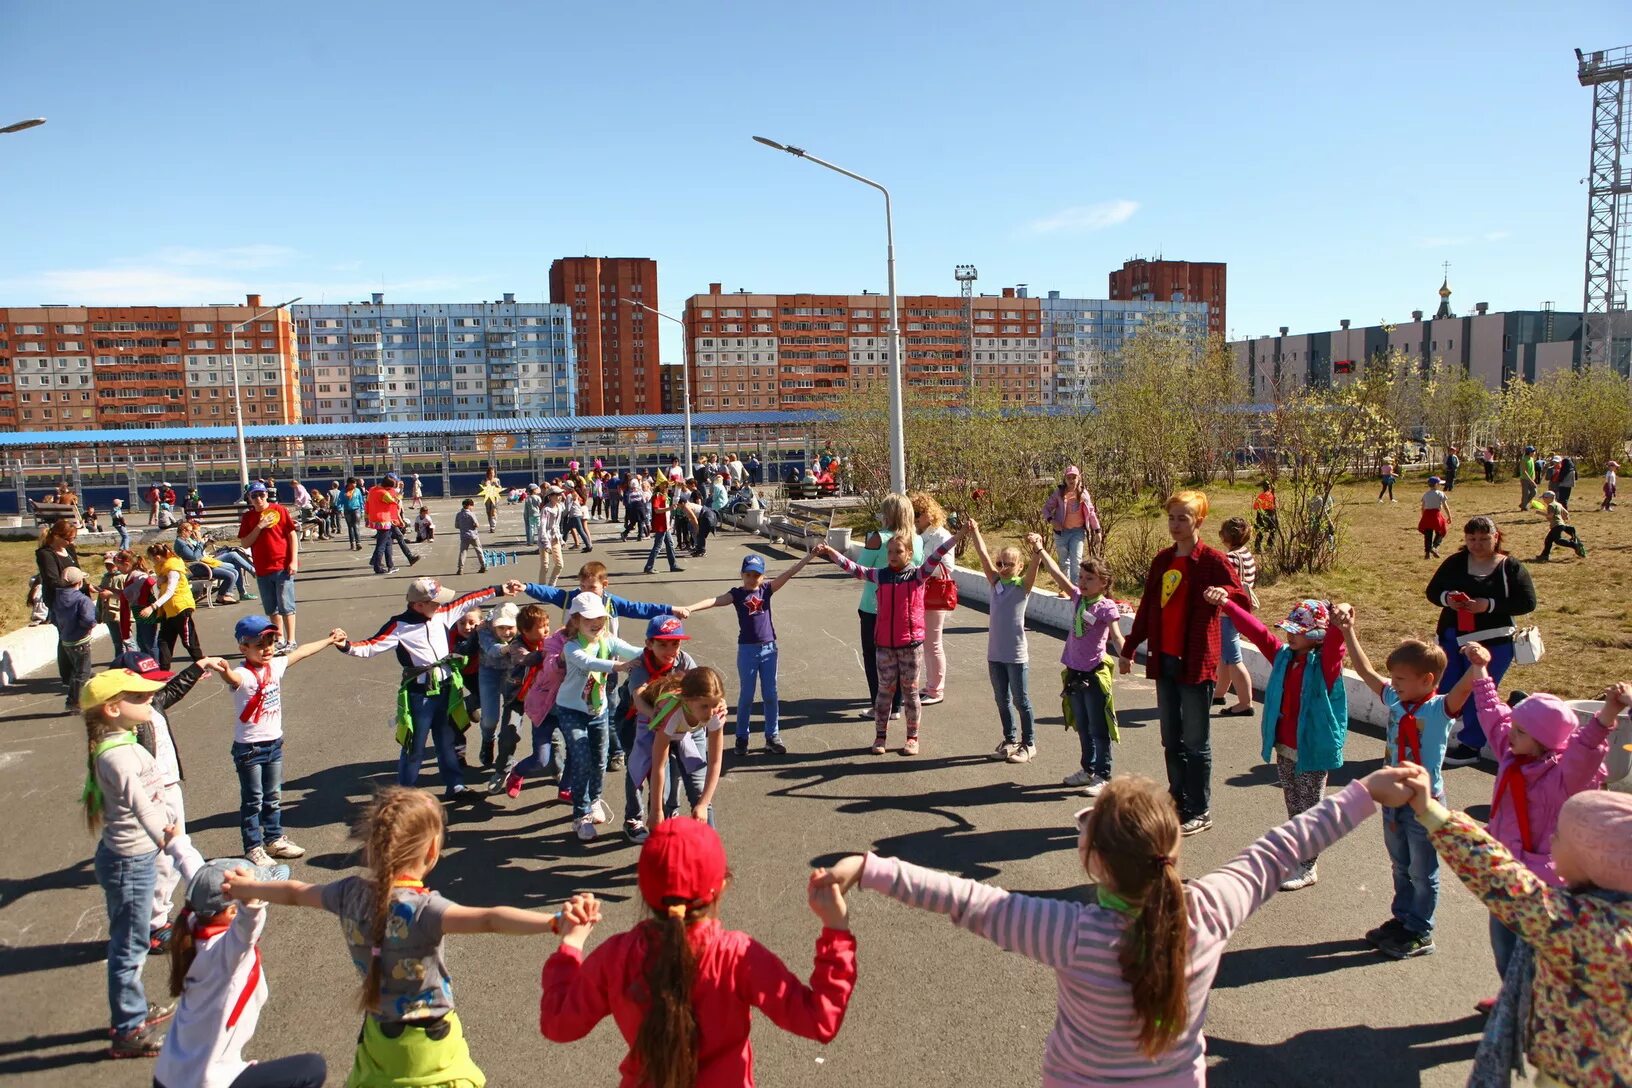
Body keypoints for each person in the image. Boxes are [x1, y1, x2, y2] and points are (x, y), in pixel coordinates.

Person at [815, 766, 1414, 1086]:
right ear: (1173, 848)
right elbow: (1283, 846)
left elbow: (964, 899)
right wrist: (1365, 792)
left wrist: (869, 867)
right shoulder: (1210, 911)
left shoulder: (1067, 932)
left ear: (1092, 863)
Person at [222, 787, 575, 1087]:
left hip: (378, 1044)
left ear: (372, 848)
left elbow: (296, 892)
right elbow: (490, 920)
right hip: (434, 1050)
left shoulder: (348, 894)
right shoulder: (423, 909)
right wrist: (553, 922)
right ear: (433, 851)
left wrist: (248, 886)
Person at [540, 818, 856, 1084]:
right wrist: (835, 930)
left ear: (645, 890)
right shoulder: (738, 956)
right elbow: (820, 1020)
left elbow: (559, 1025)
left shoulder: (615, 956)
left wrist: (571, 945)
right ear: (721, 885)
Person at [1395, 762, 1632, 1088]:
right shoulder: (1611, 916)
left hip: (1576, 1077)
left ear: (1593, 857)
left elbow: (1506, 883)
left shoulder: (1587, 930)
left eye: (1559, 835)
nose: (1552, 838)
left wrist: (1430, 810)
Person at [1460, 645, 1613, 993]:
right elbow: (1491, 712)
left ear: (1544, 741)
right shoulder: (1511, 754)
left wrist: (1608, 713)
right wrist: (1480, 669)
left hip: (1541, 880)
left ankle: (1531, 1009)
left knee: (1531, 953)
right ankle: (1513, 998)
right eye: (1514, 727)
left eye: (1521, 731)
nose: (1511, 733)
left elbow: (1586, 748)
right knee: (1503, 948)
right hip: (1502, 870)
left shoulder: (1564, 775)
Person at [1334, 611, 1479, 959]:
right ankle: (1402, 919)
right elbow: (1368, 674)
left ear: (1427, 679)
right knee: (1400, 863)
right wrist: (1348, 631)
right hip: (1393, 797)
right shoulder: (1397, 700)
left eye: (1400, 678)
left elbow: (1463, 689)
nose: (1393, 683)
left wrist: (1477, 665)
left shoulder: (1440, 709)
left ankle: (1421, 929)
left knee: (1422, 869)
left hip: (1425, 803)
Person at [1119, 491, 1248, 837]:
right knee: (1170, 739)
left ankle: (1200, 808)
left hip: (1196, 664)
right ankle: (1177, 800)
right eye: (1172, 518)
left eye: (1183, 518)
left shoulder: (1213, 561)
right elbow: (1147, 608)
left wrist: (1227, 594)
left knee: (1196, 741)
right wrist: (1130, 647)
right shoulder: (1162, 561)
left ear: (1199, 521)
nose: (1176, 525)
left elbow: (1244, 600)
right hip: (1165, 660)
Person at [152, 841, 327, 1088]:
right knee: (311, 1068)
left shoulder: (195, 924)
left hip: (168, 1076)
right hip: (204, 1081)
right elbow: (247, 926)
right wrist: (251, 903)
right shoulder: (226, 953)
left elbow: (199, 876)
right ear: (233, 911)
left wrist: (178, 843)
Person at [333, 577, 523, 800]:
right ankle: (405, 794)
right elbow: (370, 646)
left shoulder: (442, 614)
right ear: (418, 604)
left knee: (447, 740)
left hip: (447, 689)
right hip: (419, 694)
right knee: (414, 745)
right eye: (435, 602)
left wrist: (500, 588)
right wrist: (346, 645)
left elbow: (470, 599)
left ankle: (456, 785)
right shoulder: (399, 626)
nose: (440, 605)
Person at [1210, 593, 1348, 891]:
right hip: (1285, 746)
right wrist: (1228, 605)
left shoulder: (1324, 666)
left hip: (1312, 749)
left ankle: (1308, 866)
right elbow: (1258, 634)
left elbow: (1337, 645)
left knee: (1310, 808)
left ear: (1316, 636)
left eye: (1299, 632)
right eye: (1290, 630)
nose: (1290, 635)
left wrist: (1340, 618)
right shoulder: (1284, 657)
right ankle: (1299, 854)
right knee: (1294, 804)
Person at [80, 666, 179, 1057]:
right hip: (130, 861)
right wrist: (170, 842)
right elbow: (143, 809)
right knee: (129, 948)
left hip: (133, 857)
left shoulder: (126, 739)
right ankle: (127, 1029)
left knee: (132, 941)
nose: (148, 698)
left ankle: (133, 1008)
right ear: (111, 709)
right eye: (137, 697)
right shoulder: (117, 757)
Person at [201, 615, 335, 866]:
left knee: (273, 796)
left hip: (274, 744)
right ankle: (253, 847)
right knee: (253, 800)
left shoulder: (275, 666)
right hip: (250, 749)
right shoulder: (242, 673)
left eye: (271, 642)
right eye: (260, 645)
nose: (268, 649)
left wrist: (328, 640)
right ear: (243, 648)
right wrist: (225, 670)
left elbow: (303, 652)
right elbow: (232, 680)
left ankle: (274, 840)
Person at [818, 526, 962, 756]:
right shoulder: (880, 575)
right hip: (884, 646)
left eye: (899, 551)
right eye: (890, 552)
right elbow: (855, 569)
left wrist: (961, 534)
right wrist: (831, 552)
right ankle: (880, 736)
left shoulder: (918, 575)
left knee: (911, 693)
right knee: (884, 693)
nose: (893, 556)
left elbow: (938, 554)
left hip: (910, 646)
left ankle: (912, 738)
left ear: (909, 553)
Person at [681, 550, 819, 757]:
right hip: (747, 650)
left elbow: (789, 573)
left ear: (762, 576)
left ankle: (772, 737)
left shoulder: (766, 590)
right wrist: (689, 608)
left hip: (769, 649)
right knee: (746, 696)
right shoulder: (737, 594)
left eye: (756, 575)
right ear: (742, 574)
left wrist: (810, 556)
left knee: (770, 695)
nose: (752, 578)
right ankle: (741, 738)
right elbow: (714, 600)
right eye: (748, 574)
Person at [1426, 515, 1538, 766]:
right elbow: (1432, 591)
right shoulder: (1455, 562)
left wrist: (1488, 605)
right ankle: (1436, 736)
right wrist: (1448, 599)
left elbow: (1527, 601)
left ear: (1496, 537)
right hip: (1453, 638)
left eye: (1484, 539)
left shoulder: (1510, 566)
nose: (1476, 544)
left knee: (1480, 692)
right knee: (1446, 687)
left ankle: (1471, 746)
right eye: (1471, 539)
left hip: (1494, 641)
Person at [1037, 550, 1125, 795]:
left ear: (1104, 582)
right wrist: (1041, 551)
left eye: (1089, 578)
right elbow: (1057, 575)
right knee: (1083, 726)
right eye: (1081, 577)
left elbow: (1116, 635)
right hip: (1074, 671)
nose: (1082, 582)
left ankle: (1103, 775)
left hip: (1093, 674)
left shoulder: (1105, 607)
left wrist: (1125, 655)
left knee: (1099, 728)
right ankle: (1087, 770)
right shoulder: (1078, 598)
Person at [556, 594, 643, 841]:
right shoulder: (571, 647)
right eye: (589, 619)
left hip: (598, 710)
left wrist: (658, 649)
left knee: (600, 759)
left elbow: (634, 650)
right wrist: (619, 666)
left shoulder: (607, 639)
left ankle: (594, 800)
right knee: (582, 758)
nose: (596, 623)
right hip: (571, 710)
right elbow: (588, 662)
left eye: (600, 619)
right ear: (576, 620)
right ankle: (581, 814)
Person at [965, 520, 1042, 762]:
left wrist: (1037, 548)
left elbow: (1035, 567)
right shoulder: (995, 583)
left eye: (1009, 563)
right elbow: (982, 555)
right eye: (1000, 563)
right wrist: (975, 530)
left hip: (1016, 655)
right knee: (1002, 699)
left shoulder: (1022, 587)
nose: (1003, 567)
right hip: (995, 654)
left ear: (1019, 566)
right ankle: (1010, 740)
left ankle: (1029, 744)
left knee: (1021, 700)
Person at [617, 616, 698, 842]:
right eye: (662, 644)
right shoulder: (641, 664)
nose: (670, 649)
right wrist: (658, 717)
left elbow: (701, 685)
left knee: (672, 768)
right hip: (635, 720)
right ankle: (633, 817)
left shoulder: (684, 661)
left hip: (671, 722)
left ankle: (665, 812)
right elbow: (639, 698)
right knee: (638, 766)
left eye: (675, 643)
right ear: (649, 644)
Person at [633, 664, 728, 833]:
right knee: (642, 773)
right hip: (655, 728)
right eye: (705, 706)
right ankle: (637, 819)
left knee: (699, 791)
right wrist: (656, 811)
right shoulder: (671, 714)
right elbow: (658, 766)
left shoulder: (715, 713)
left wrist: (703, 804)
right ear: (687, 700)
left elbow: (714, 762)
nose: (710, 711)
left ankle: (709, 848)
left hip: (686, 731)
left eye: (714, 704)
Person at [852, 494, 920, 723]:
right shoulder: (915, 539)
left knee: (873, 657)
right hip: (903, 607)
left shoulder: (878, 538)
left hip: (874, 605)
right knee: (900, 656)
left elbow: (861, 568)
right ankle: (897, 705)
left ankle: (878, 705)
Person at [237, 482, 299, 652]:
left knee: (286, 605)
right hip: (262, 568)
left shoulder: (279, 510)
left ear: (267, 495)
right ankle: (279, 638)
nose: (258, 498)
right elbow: (245, 542)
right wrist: (259, 526)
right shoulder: (249, 518)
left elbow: (292, 535)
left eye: (261, 494)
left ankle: (291, 640)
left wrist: (293, 560)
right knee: (271, 607)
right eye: (254, 495)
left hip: (281, 565)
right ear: (249, 498)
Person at [911, 492, 955, 707]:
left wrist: (923, 569)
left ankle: (936, 689)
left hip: (934, 591)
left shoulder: (940, 535)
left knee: (933, 643)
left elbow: (946, 567)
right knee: (925, 642)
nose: (915, 518)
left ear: (929, 514)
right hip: (922, 591)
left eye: (917, 514)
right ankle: (931, 685)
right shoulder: (922, 535)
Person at [1214, 517, 1257, 718]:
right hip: (1240, 611)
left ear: (1227, 536)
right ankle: (1219, 693)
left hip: (1227, 611)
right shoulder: (1246, 555)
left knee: (1233, 658)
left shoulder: (1229, 558)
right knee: (1225, 655)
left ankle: (1244, 702)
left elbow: (1222, 584)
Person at [143, 542, 205, 671]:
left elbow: (170, 592)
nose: (152, 562)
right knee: (164, 640)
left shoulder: (173, 569)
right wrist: (159, 583)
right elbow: (158, 589)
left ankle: (202, 667)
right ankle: (164, 671)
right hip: (168, 610)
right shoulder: (162, 569)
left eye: (152, 559)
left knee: (188, 640)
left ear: (158, 557)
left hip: (180, 608)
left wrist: (153, 607)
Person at [474, 603, 518, 770]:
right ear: (493, 625)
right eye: (501, 627)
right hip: (489, 672)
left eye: (510, 627)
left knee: (511, 720)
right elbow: (491, 649)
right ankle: (488, 739)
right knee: (490, 718)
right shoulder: (484, 630)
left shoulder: (523, 629)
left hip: (513, 674)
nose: (506, 632)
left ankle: (505, 755)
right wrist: (508, 648)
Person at [1042, 466, 1099, 593]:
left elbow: (1091, 512)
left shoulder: (1083, 494)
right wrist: (1052, 521)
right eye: (1069, 477)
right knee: (1063, 562)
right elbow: (1046, 509)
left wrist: (1097, 530)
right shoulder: (1059, 493)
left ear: (1079, 478)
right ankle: (1064, 587)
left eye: (1074, 477)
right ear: (1065, 479)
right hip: (1061, 532)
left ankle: (1074, 590)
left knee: (1076, 560)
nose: (1071, 480)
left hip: (1077, 532)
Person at [52, 564, 98, 712]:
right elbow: (88, 620)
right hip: (81, 641)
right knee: (83, 673)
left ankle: (71, 700)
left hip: (66, 639)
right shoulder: (82, 600)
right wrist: (91, 625)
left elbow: (53, 618)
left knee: (76, 672)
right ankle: (77, 703)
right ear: (80, 582)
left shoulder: (58, 598)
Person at [175, 519, 246, 605]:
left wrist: (203, 544)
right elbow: (194, 557)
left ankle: (223, 596)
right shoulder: (180, 543)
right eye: (190, 531)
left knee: (234, 571)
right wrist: (200, 542)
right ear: (184, 531)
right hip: (196, 568)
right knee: (230, 575)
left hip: (201, 565)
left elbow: (198, 554)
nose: (191, 533)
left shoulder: (184, 541)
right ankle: (222, 597)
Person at [641, 480, 684, 575]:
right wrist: (669, 508)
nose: (666, 486)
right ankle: (649, 567)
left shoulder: (664, 495)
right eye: (664, 485)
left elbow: (675, 499)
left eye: (667, 485)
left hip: (665, 524)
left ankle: (673, 565)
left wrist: (678, 488)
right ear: (659, 485)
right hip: (661, 525)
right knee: (658, 546)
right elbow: (657, 510)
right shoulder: (657, 496)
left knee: (670, 544)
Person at [363, 475, 403, 575]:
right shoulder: (384, 493)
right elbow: (395, 502)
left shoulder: (372, 490)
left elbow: (367, 503)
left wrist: (366, 517)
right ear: (387, 487)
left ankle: (390, 565)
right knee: (381, 545)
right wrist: (400, 492)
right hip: (384, 520)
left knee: (386, 543)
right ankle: (378, 567)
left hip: (375, 519)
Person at [1534, 489, 1587, 563]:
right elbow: (1566, 513)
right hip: (1560, 524)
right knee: (1548, 540)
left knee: (1558, 541)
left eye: (1545, 498)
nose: (1543, 499)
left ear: (1550, 498)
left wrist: (1540, 513)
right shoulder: (1558, 504)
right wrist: (1564, 518)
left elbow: (1550, 516)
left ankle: (1574, 545)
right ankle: (1544, 555)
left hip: (1556, 525)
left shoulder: (1551, 505)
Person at [1418, 475, 1450, 559]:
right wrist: (1449, 516)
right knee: (1441, 532)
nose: (1440, 485)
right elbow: (1445, 506)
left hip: (1427, 515)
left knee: (1428, 534)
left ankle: (1427, 553)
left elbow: (1423, 507)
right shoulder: (1440, 493)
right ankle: (1434, 546)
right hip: (1436, 515)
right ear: (1436, 484)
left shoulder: (1426, 494)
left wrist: (1423, 517)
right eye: (1439, 484)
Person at [453, 498, 487, 575]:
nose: (472, 507)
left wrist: (463, 527)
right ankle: (483, 566)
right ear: (469, 506)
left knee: (463, 552)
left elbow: (456, 526)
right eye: (472, 506)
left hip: (464, 536)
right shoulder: (471, 514)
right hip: (473, 535)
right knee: (479, 550)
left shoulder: (458, 514)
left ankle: (460, 568)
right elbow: (477, 524)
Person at [1251, 480, 1278, 552]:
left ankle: (1257, 547)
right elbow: (1274, 506)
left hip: (1261, 515)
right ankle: (1269, 546)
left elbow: (1255, 507)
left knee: (1261, 531)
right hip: (1271, 515)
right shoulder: (1272, 496)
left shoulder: (1261, 496)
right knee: (1273, 530)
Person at [341, 477, 364, 551]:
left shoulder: (357, 490)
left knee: (356, 526)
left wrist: (362, 510)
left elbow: (361, 500)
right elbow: (339, 501)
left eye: (355, 483)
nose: (355, 485)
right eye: (353, 483)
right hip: (347, 510)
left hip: (356, 509)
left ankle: (358, 543)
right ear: (348, 484)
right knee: (350, 527)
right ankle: (352, 543)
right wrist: (340, 509)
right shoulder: (343, 492)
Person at [1518, 444, 1539, 511]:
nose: (1534, 453)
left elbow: (1532, 469)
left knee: (1534, 492)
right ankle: (1524, 507)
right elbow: (1524, 472)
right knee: (1526, 493)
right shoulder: (1524, 460)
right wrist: (1531, 481)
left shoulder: (1532, 459)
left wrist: (1534, 478)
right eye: (1533, 451)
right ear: (1529, 452)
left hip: (1531, 479)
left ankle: (1523, 504)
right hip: (1525, 479)